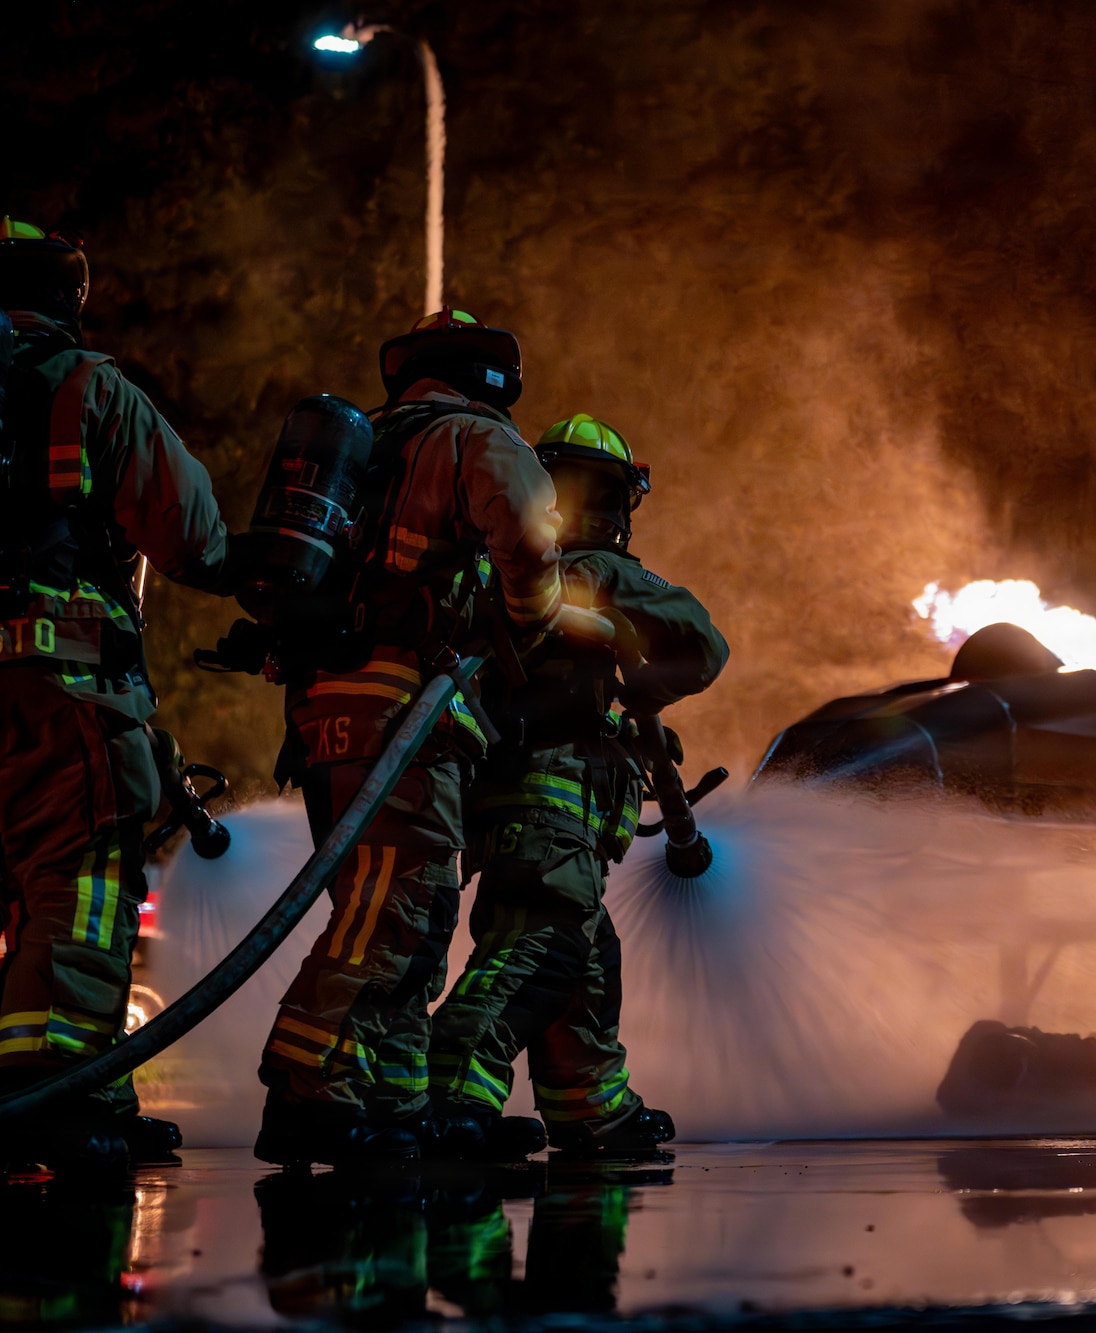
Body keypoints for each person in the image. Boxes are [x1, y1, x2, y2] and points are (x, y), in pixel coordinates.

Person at [253, 310, 562, 1167]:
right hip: (403, 712)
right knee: (390, 912)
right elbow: (533, 542)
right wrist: (531, 627)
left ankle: (391, 1100)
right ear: (490, 377)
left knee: (412, 913)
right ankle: (307, 1090)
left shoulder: (359, 453)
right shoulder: (473, 439)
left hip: (326, 713)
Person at [428, 412, 726, 1158]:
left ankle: (591, 1106)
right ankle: (452, 1092)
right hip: (552, 805)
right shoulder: (601, 571)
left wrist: (621, 714)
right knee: (540, 946)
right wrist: (648, 687)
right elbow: (703, 641)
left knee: (588, 953)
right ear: (617, 503)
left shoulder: (504, 581)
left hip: (501, 801)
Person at [0, 217, 230, 1169]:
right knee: (81, 879)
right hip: (60, 682)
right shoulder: (89, 387)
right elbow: (196, 538)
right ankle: (53, 1089)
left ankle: (84, 1082)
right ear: (66, 294)